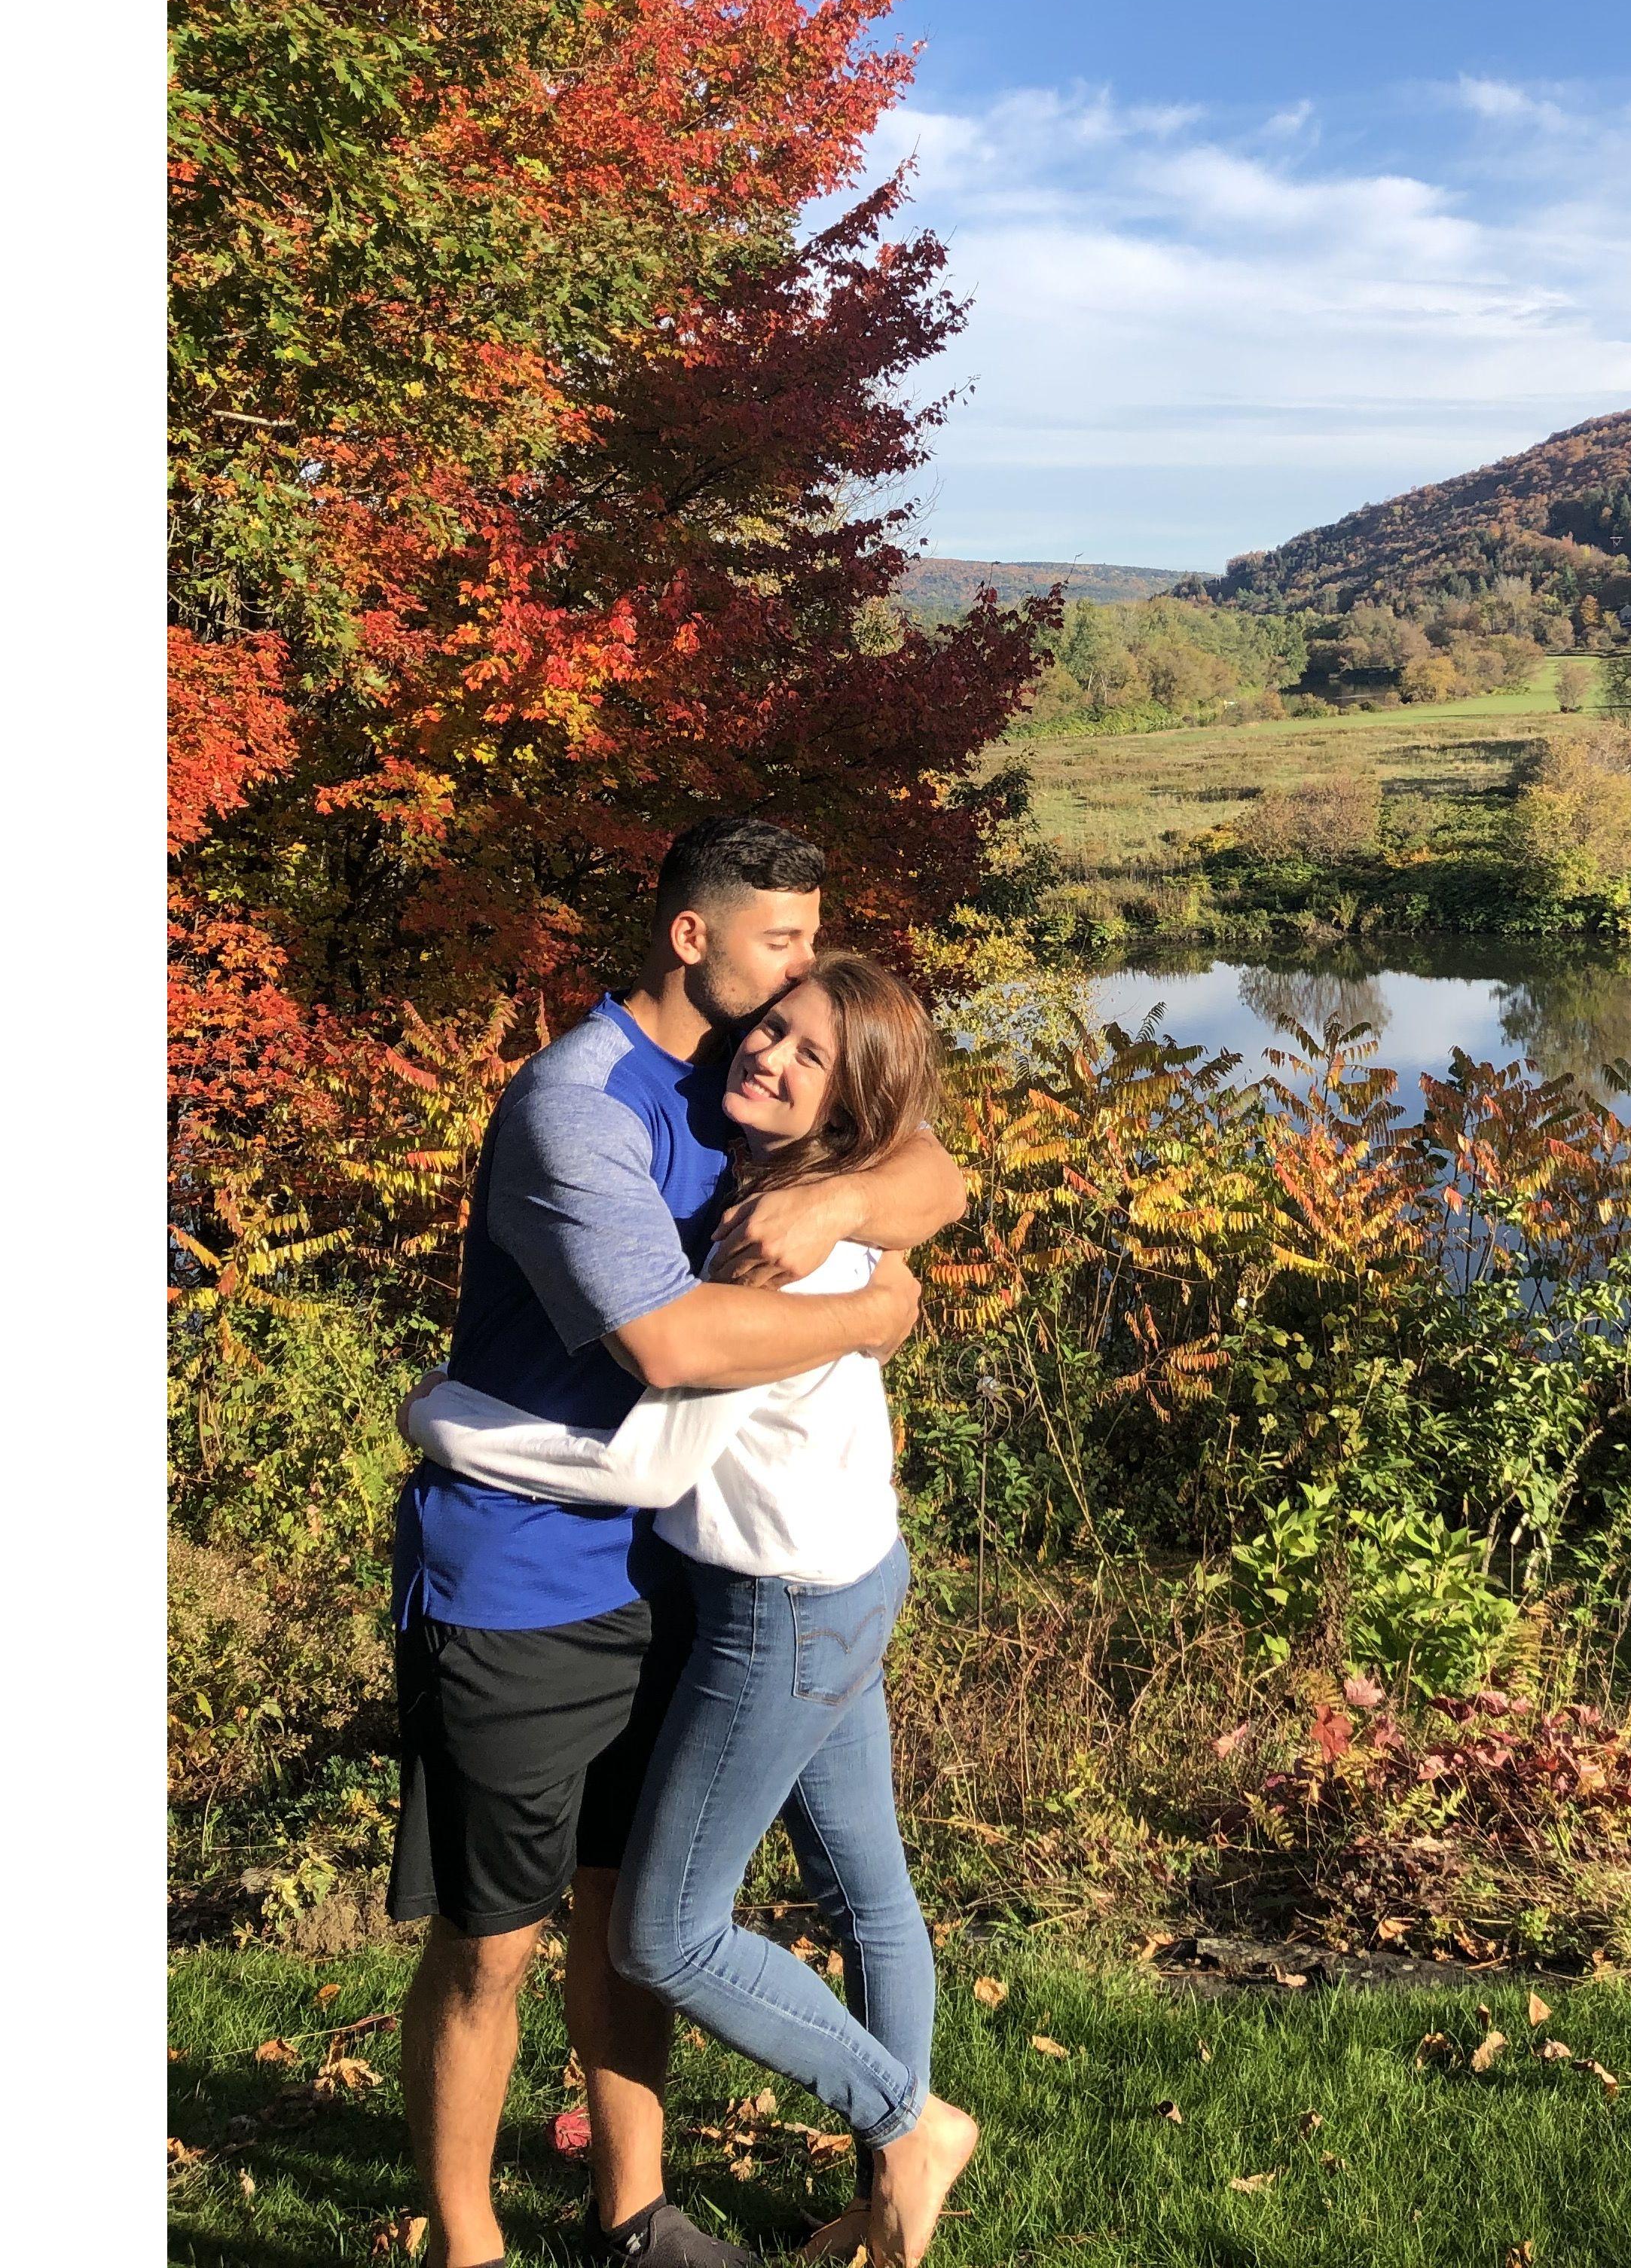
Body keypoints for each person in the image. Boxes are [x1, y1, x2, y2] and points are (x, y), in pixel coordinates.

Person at [390, 819, 969, 2268]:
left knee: (632, 1915)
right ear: (694, 939)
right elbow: (665, 1342)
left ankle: (647, 2217)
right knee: (499, 1942)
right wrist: (866, 1308)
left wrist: (845, 1202)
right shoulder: (582, 1104)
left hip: (708, 1579)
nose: (795, 994)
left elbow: (933, 1167)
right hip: (529, 1579)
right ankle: (473, 2247)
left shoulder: (740, 1102)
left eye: (805, 1007)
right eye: (782, 954)